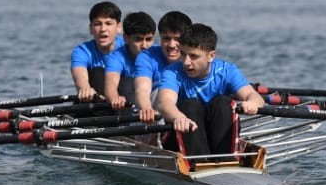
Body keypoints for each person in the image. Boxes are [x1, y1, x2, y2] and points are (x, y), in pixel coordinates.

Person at [156, 23, 264, 165]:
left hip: (217, 136)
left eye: (193, 56)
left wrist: (252, 103)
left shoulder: (227, 71)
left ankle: (225, 161)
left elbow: (254, 96)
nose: (186, 62)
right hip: (181, 138)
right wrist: (179, 118)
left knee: (222, 102)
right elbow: (165, 103)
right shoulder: (172, 72)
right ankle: (199, 164)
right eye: (183, 54)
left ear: (211, 56)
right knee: (191, 105)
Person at [131, 10, 192, 122]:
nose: (172, 45)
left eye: (177, 39)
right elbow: (142, 89)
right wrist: (146, 108)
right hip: (153, 115)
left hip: (185, 110)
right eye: (166, 38)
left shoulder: (195, 58)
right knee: (162, 92)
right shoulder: (147, 56)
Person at [102, 11, 157, 108]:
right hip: (130, 106)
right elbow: (111, 85)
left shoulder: (159, 53)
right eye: (138, 39)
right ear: (126, 38)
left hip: (156, 104)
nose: (144, 45)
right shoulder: (116, 57)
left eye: (148, 39)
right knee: (129, 82)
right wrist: (115, 98)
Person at [70, 1, 124, 101]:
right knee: (98, 73)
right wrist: (85, 88)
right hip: (95, 103)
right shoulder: (81, 52)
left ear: (119, 27)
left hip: (125, 102)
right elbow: (80, 76)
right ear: (90, 29)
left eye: (108, 23)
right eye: (97, 24)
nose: (103, 29)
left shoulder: (128, 47)